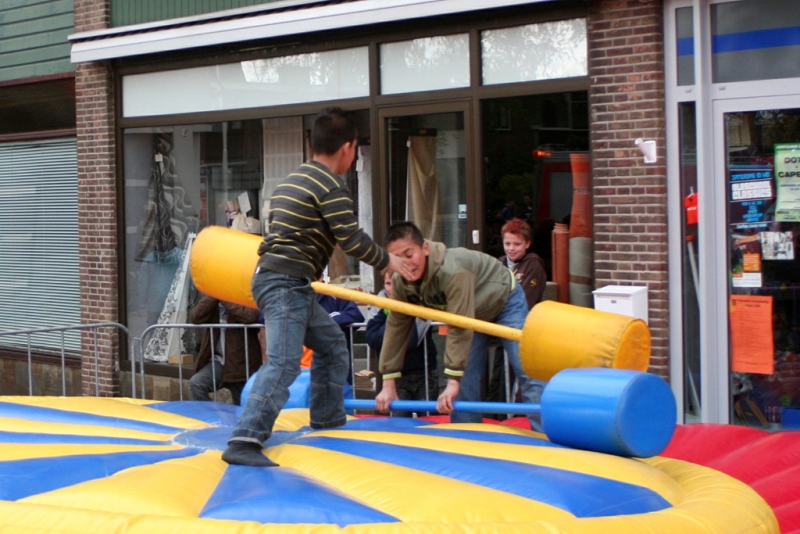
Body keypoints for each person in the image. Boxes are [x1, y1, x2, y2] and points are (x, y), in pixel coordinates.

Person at [222, 107, 412, 467]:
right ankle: (245, 438)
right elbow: (351, 240)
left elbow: (311, 234)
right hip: (285, 283)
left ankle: (326, 422)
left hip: (284, 281)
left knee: (333, 347)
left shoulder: (292, 181)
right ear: (348, 147)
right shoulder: (330, 186)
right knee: (284, 364)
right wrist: (390, 261)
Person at [375, 221, 543, 431]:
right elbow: (396, 328)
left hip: (504, 299)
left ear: (425, 248)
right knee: (463, 376)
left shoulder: (453, 271)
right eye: (397, 259)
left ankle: (545, 434)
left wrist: (452, 380)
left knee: (526, 367)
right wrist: (388, 382)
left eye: (409, 255)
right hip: (471, 311)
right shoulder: (401, 282)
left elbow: (459, 325)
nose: (406, 264)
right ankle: (466, 434)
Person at [487, 218, 547, 409]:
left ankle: (517, 418)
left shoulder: (533, 265)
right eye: (507, 244)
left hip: (521, 333)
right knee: (498, 377)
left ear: (527, 244)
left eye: (517, 244)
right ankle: (495, 417)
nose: (511, 249)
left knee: (519, 381)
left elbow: (523, 300)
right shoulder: (498, 263)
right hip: (500, 331)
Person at [366, 268, 438, 417]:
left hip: (424, 373)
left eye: (397, 283)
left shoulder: (418, 302)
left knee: (429, 423)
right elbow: (372, 340)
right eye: (388, 283)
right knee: (399, 424)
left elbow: (410, 340)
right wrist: (389, 314)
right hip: (395, 377)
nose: (392, 289)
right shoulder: (379, 304)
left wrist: (392, 317)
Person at [189, 295, 263, 405]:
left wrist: (224, 298)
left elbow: (251, 316)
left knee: (242, 405)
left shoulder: (244, 295)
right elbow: (195, 317)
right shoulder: (213, 299)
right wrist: (213, 295)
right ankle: (211, 415)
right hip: (218, 361)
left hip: (240, 363)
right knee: (197, 383)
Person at [315, 281, 365, 384]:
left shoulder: (335, 294)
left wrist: (327, 321)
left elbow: (356, 315)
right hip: (302, 367)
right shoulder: (293, 296)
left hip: (336, 366)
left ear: (322, 277)